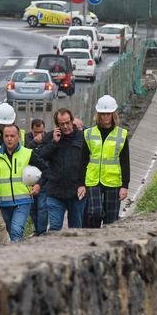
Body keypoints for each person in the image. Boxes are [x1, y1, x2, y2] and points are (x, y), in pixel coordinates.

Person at [0, 124, 45, 242]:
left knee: (16, 231)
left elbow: (45, 170)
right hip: (4, 203)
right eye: (6, 136)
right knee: (13, 233)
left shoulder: (28, 153)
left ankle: (17, 258)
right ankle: (21, 253)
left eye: (12, 136)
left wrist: (38, 184)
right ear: (3, 138)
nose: (9, 138)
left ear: (18, 137)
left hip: (24, 200)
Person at [81, 95, 130, 228]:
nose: (105, 117)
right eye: (102, 114)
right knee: (94, 212)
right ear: (98, 115)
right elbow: (83, 160)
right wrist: (80, 183)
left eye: (108, 114)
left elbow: (125, 162)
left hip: (113, 181)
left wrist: (125, 186)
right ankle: (93, 237)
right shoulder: (89, 133)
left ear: (113, 114)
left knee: (111, 219)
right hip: (93, 180)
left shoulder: (121, 134)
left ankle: (107, 243)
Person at [34, 108, 87, 231]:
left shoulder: (82, 137)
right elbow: (40, 157)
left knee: (76, 230)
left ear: (72, 121)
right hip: (55, 192)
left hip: (76, 193)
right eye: (62, 124)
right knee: (55, 229)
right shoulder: (50, 137)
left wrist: (83, 184)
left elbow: (88, 163)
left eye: (68, 123)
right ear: (57, 125)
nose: (65, 126)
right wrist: (54, 142)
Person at [25, 118, 49, 236]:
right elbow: (23, 153)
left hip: (44, 179)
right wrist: (34, 142)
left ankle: (41, 232)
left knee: (42, 207)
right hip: (29, 180)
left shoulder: (48, 139)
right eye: (36, 132)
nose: (39, 135)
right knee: (32, 208)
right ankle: (37, 229)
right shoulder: (27, 139)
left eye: (41, 132)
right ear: (32, 130)